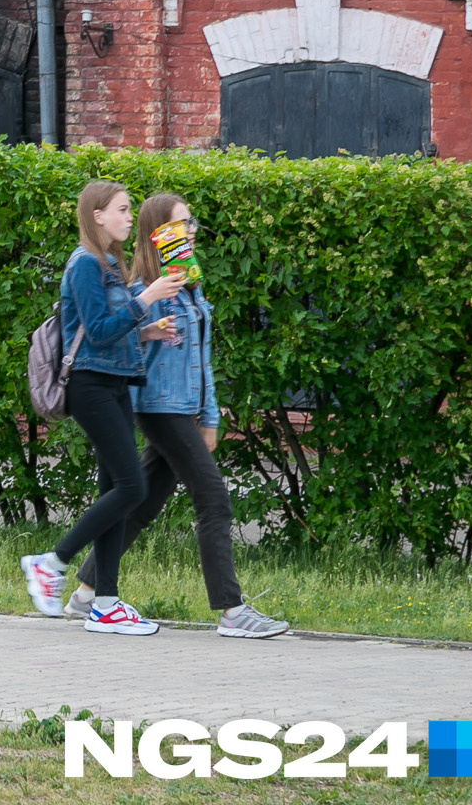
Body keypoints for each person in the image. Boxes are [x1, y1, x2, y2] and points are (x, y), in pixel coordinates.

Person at [118, 194, 290, 639]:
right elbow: (113, 343)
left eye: (192, 223)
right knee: (214, 499)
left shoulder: (190, 287)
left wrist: (210, 416)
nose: (191, 231)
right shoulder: (143, 291)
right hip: (158, 408)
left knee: (142, 506)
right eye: (182, 225)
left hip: (185, 410)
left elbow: (203, 360)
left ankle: (86, 589)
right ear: (159, 233)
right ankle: (232, 612)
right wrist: (146, 326)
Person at [19, 180, 180, 636]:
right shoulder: (85, 265)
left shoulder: (111, 263)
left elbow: (109, 331)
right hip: (89, 387)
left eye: (130, 210)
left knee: (116, 491)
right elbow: (100, 328)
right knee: (132, 488)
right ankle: (51, 562)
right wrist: (146, 299)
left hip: (115, 384)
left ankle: (105, 604)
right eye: (123, 210)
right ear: (98, 216)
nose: (131, 218)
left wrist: (148, 331)